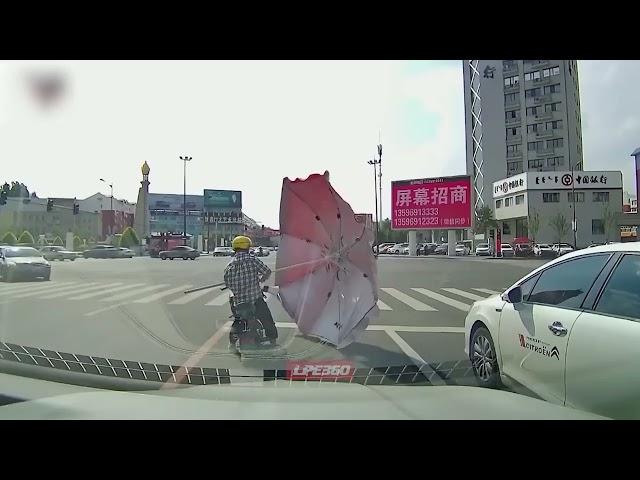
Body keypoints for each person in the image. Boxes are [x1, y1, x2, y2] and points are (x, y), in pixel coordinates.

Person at [224, 235, 278, 347]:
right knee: (266, 318)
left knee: (238, 321)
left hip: (239, 302)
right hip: (255, 300)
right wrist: (261, 279)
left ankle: (232, 344)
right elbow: (267, 271)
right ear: (247, 247)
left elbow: (228, 284)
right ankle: (272, 339)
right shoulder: (252, 260)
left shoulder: (229, 266)